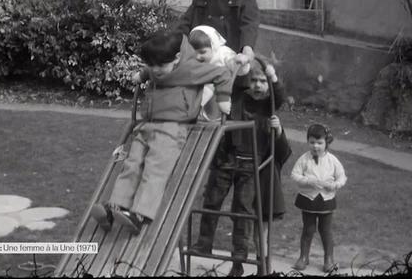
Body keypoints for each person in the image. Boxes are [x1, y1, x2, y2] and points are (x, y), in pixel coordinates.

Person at [89, 29, 234, 236]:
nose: (156, 70)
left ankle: (139, 215)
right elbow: (152, 68)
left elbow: (222, 74)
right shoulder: (160, 65)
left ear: (176, 58)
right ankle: (115, 208)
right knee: (131, 166)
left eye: (160, 65)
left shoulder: (192, 69)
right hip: (147, 125)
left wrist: (223, 98)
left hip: (172, 128)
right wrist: (143, 73)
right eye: (152, 65)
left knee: (155, 170)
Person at [193, 57, 292, 277]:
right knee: (211, 200)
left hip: (251, 166)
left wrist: (272, 74)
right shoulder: (240, 98)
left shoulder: (270, 105)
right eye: (254, 80)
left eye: (262, 82)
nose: (257, 85)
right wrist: (243, 61)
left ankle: (238, 260)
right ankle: (204, 242)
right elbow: (235, 82)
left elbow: (280, 94)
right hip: (227, 159)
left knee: (242, 212)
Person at [290, 124, 347, 272]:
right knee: (308, 229)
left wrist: (334, 185)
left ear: (326, 142)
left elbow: (342, 177)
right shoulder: (304, 159)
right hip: (308, 199)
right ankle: (303, 257)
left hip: (326, 200)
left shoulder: (332, 160)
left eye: (320, 143)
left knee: (325, 230)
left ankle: (328, 259)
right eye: (312, 142)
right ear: (308, 142)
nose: (316, 146)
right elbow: (294, 175)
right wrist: (308, 181)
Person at [188, 25, 250, 121]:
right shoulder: (194, 59)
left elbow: (237, 68)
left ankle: (195, 112)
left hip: (218, 96)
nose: (197, 56)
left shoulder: (222, 54)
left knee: (210, 86)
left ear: (213, 46)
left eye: (202, 52)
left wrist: (240, 61)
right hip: (199, 93)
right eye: (193, 52)